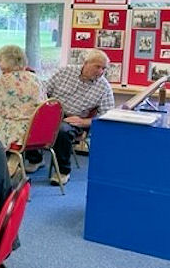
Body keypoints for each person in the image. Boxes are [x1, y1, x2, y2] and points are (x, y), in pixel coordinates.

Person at [26, 48, 114, 185]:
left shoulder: (104, 87)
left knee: (62, 131)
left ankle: (63, 171)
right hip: (52, 111)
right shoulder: (65, 71)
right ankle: (35, 159)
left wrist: (83, 121)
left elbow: (106, 116)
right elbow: (44, 89)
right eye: (97, 67)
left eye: (104, 68)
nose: (101, 72)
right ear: (85, 63)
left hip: (75, 119)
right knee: (27, 119)